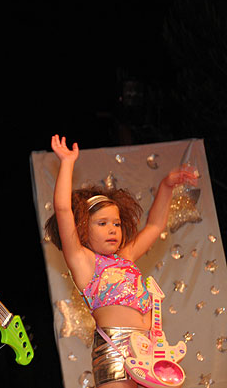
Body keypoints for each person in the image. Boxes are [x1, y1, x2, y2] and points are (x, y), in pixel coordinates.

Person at [45, 135, 197, 388]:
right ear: (82, 228)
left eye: (116, 224)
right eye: (102, 223)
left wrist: (166, 185)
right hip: (115, 349)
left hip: (150, 350)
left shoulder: (125, 257)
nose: (112, 229)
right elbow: (63, 210)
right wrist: (67, 163)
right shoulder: (83, 262)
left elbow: (155, 225)